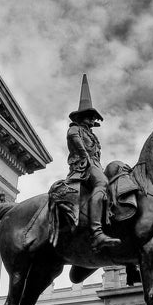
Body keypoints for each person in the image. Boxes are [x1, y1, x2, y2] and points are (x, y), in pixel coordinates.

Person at [67, 75, 120, 251]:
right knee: (103, 182)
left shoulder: (92, 135)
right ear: (82, 117)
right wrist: (89, 161)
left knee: (116, 185)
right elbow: (79, 148)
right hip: (83, 167)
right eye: (90, 116)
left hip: (95, 166)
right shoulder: (74, 129)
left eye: (93, 117)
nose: (93, 120)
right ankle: (96, 232)